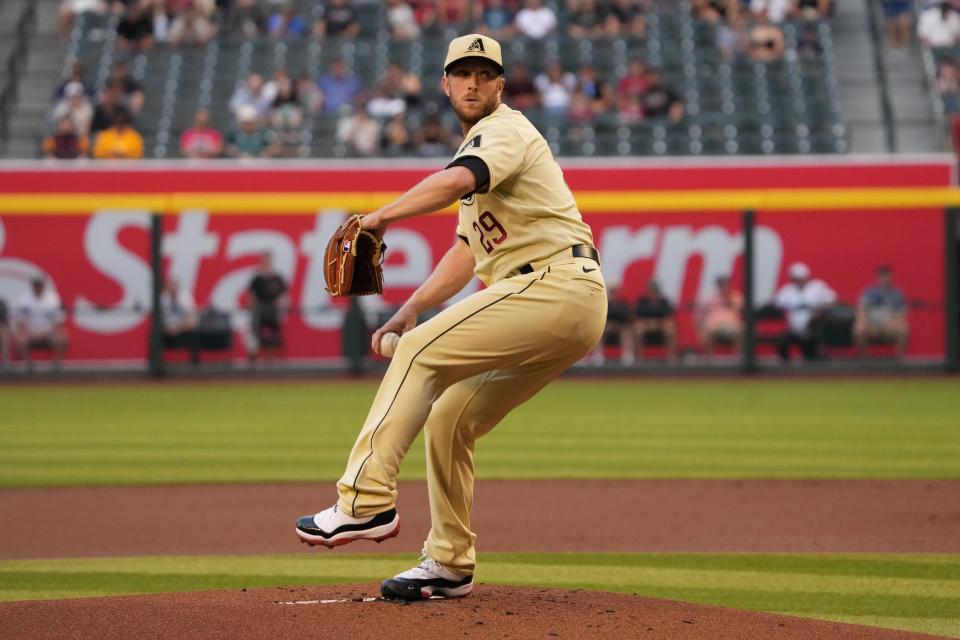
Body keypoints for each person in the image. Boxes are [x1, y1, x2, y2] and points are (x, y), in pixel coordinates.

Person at [294, 33, 606, 602]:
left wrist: (379, 218)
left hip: (552, 284)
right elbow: (467, 254)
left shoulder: (504, 131)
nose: (472, 82)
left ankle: (363, 502)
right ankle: (449, 561)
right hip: (563, 299)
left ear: (500, 85)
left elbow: (460, 180)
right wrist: (411, 308)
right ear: (445, 82)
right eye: (462, 72)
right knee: (449, 419)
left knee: (418, 356)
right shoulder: (484, 149)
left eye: (484, 74)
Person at [774, 261, 836, 362]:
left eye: (800, 277)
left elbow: (832, 301)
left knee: (811, 356)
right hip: (794, 330)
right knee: (782, 341)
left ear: (806, 276)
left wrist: (818, 311)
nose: (798, 281)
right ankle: (785, 369)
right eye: (795, 278)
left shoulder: (818, 287)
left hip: (813, 329)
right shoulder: (787, 291)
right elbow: (776, 305)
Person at [853, 265, 909, 359]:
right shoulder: (869, 292)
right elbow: (861, 309)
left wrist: (891, 323)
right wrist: (865, 321)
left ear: (891, 277)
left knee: (903, 328)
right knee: (859, 328)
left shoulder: (897, 294)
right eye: (882, 276)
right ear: (877, 277)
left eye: (887, 276)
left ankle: (899, 359)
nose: (885, 279)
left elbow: (902, 314)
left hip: (890, 324)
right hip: (871, 325)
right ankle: (865, 358)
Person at [12, 277, 69, 369]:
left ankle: (55, 366)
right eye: (36, 285)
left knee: (63, 338)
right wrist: (28, 332)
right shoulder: (23, 299)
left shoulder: (53, 298)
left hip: (49, 331)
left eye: (40, 285)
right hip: (30, 332)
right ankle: (29, 367)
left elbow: (58, 321)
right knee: (20, 339)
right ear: (32, 285)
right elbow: (20, 321)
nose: (38, 287)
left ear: (43, 285)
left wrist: (47, 332)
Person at [247, 252, 288, 361]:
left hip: (273, 309)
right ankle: (253, 355)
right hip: (260, 308)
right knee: (254, 332)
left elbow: (283, 294)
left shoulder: (277, 277)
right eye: (264, 259)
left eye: (268, 259)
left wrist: (280, 304)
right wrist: (254, 305)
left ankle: (273, 356)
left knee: (274, 333)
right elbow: (252, 294)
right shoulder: (257, 278)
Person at [695, 275, 743, 359]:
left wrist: (728, 299)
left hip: (732, 328)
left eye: (726, 284)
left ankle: (741, 361)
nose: (724, 287)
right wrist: (700, 331)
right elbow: (698, 319)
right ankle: (709, 363)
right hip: (714, 328)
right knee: (707, 332)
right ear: (718, 286)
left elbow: (745, 314)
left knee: (743, 331)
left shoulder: (737, 298)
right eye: (722, 285)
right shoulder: (708, 299)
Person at [632, 279, 678, 362]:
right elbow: (636, 317)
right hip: (645, 325)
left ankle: (672, 358)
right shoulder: (642, 302)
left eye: (655, 291)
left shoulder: (664, 302)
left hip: (661, 326)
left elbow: (669, 317)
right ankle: (639, 359)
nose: (653, 293)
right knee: (638, 329)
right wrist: (648, 323)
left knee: (670, 329)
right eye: (651, 291)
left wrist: (657, 323)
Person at [160, 276, 200, 365]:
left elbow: (192, 319)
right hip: (167, 330)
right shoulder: (162, 298)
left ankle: (195, 366)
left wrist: (178, 329)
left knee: (194, 334)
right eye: (170, 285)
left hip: (183, 330)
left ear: (178, 286)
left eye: (174, 285)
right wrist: (167, 328)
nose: (172, 287)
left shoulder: (186, 298)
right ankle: (156, 364)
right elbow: (158, 320)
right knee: (154, 335)